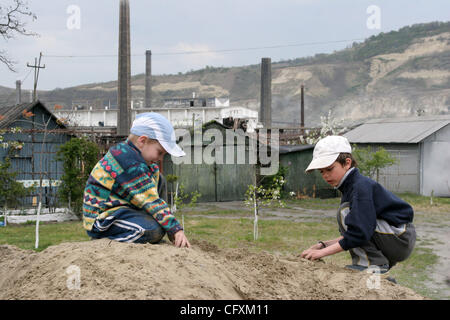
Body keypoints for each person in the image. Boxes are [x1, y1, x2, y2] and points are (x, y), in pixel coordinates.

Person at [300, 136, 416, 274]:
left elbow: (359, 233)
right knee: (350, 216)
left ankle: (372, 264)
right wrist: (323, 245)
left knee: (345, 212)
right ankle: (374, 264)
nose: (325, 175)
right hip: (395, 237)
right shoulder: (351, 187)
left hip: (400, 237)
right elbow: (357, 232)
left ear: (347, 163)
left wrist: (322, 253)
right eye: (322, 171)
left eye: (329, 169)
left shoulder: (360, 187)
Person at [82, 112, 190, 248]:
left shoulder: (144, 165)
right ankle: (106, 243)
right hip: (102, 220)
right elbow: (151, 199)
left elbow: (154, 195)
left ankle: (144, 228)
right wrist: (175, 229)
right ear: (142, 141)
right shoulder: (126, 161)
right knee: (153, 230)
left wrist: (168, 227)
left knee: (159, 180)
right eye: (160, 152)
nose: (161, 158)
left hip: (123, 211)